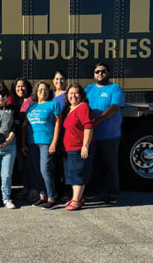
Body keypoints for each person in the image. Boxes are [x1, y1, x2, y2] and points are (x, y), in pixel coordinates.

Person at [84, 63, 126, 204]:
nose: (100, 74)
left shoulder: (114, 88)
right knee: (92, 165)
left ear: (108, 73)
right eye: (97, 71)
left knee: (110, 165)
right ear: (94, 74)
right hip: (91, 135)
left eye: (103, 71)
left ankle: (112, 193)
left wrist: (99, 119)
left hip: (110, 135)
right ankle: (93, 190)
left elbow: (114, 107)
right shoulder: (89, 89)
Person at [22, 81, 62, 209]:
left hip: (46, 142)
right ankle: (42, 196)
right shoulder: (31, 107)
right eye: (40, 90)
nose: (43, 92)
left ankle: (51, 197)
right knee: (36, 170)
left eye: (45, 90)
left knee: (45, 170)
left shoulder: (53, 104)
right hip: (32, 142)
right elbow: (25, 125)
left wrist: (54, 142)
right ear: (36, 92)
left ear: (49, 92)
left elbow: (58, 124)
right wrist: (23, 143)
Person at [62, 83, 95, 211]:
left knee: (78, 174)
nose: (73, 96)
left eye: (76, 93)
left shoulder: (83, 107)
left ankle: (76, 200)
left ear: (81, 95)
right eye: (71, 93)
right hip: (69, 148)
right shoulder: (68, 109)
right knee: (72, 174)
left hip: (78, 147)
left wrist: (85, 146)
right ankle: (78, 198)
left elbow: (88, 127)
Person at [10, 77, 32, 199]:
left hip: (27, 138)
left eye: (23, 86)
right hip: (16, 138)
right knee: (21, 166)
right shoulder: (16, 102)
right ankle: (26, 187)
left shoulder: (30, 101)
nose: (20, 88)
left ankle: (31, 189)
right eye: (18, 86)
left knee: (28, 165)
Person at [51, 70, 69, 198]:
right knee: (54, 163)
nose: (59, 81)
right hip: (51, 132)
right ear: (53, 81)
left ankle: (64, 191)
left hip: (64, 132)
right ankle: (56, 189)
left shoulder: (68, 95)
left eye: (62, 79)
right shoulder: (50, 95)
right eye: (57, 79)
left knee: (63, 163)